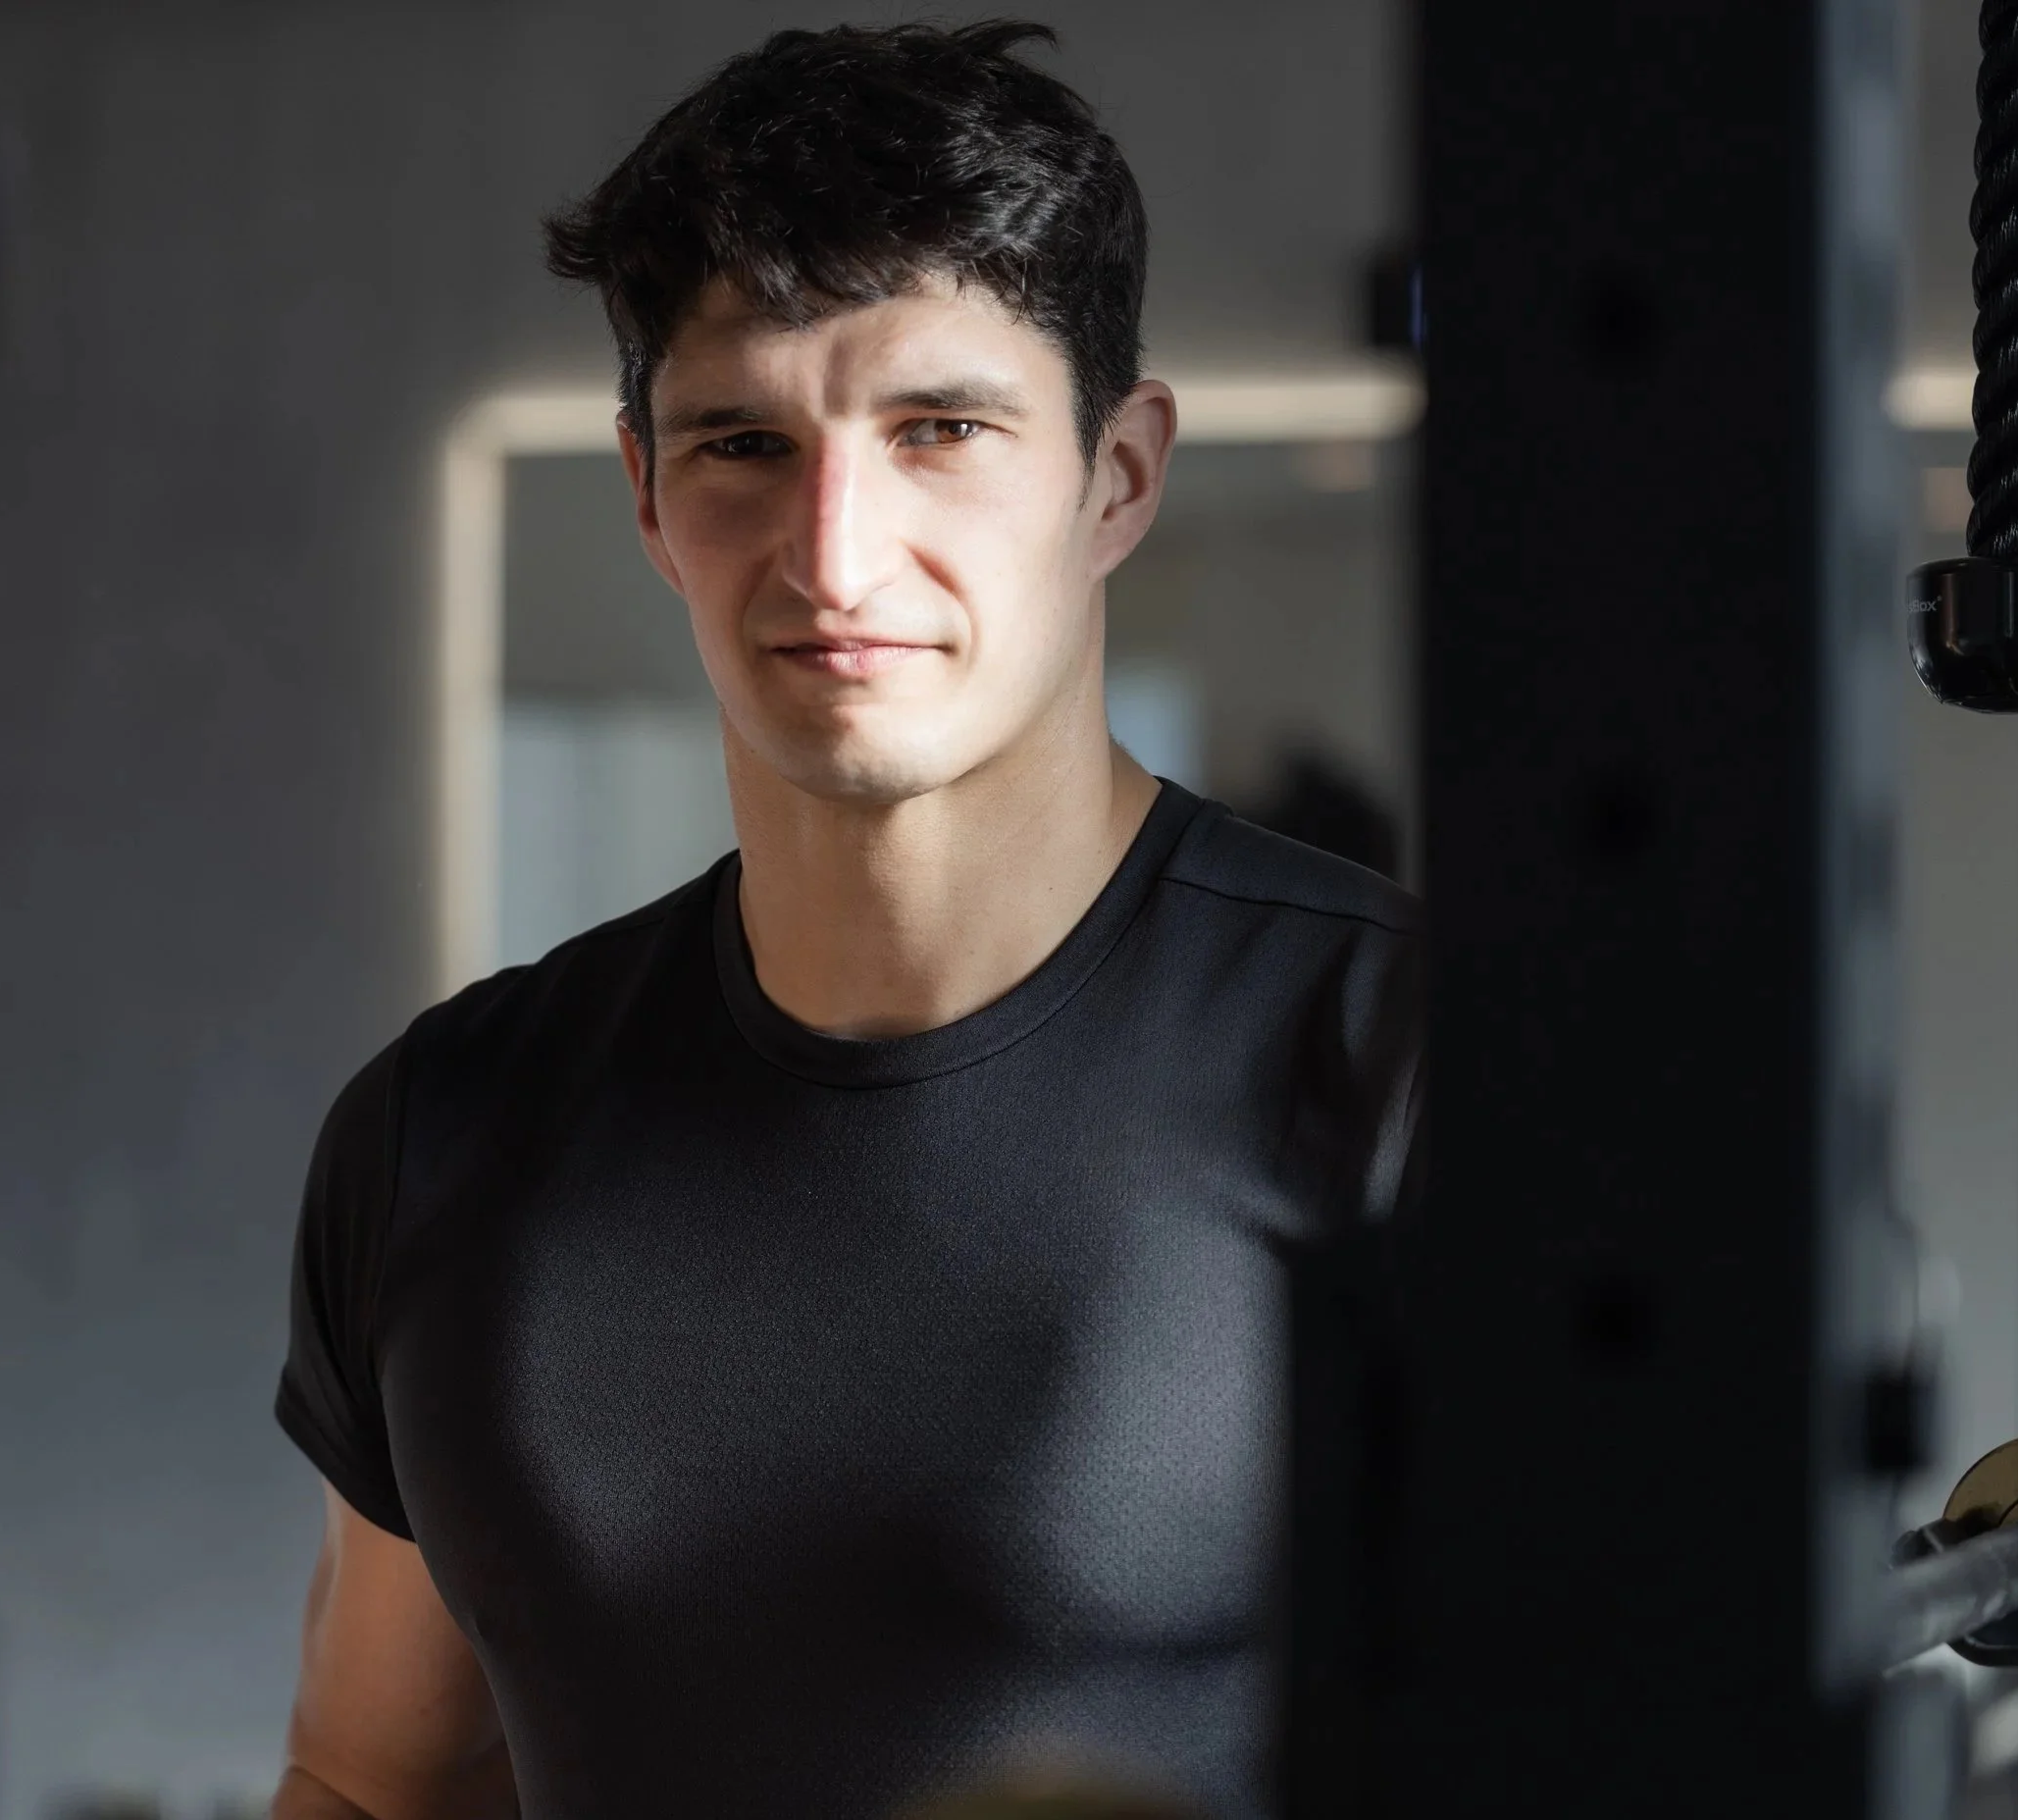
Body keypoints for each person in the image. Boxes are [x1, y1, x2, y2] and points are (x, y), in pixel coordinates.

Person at [270, 22, 1421, 1820]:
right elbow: (368, 1781)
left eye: (940, 429)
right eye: (741, 440)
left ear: (1117, 475)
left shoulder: (1404, 1059)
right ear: (650, 494)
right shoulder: (442, 1130)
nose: (833, 551)